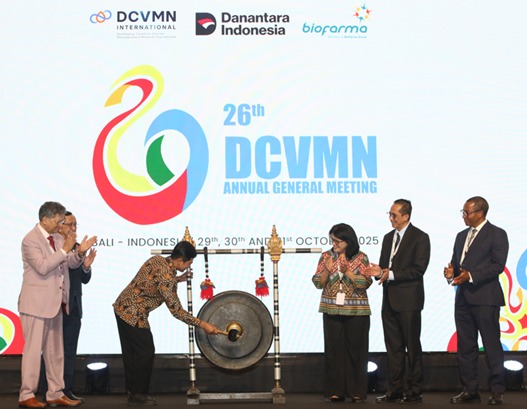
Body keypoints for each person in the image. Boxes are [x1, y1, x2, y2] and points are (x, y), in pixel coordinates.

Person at [113, 240, 220, 406]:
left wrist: (178, 279)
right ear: (180, 260)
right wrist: (203, 324)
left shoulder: (158, 260)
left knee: (132, 353)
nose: (189, 265)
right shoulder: (167, 278)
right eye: (189, 262)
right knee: (145, 352)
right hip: (134, 314)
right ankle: (138, 395)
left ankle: (132, 392)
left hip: (121, 306)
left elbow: (154, 281)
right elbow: (177, 311)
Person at [18, 202, 97, 409]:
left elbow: (69, 263)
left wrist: (79, 254)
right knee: (33, 352)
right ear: (45, 219)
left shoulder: (59, 238)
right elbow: (43, 267)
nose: (61, 224)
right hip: (36, 305)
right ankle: (27, 394)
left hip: (57, 305)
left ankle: (55, 393)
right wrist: (64, 249)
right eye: (59, 220)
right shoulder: (30, 240)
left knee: (55, 353)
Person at [364, 199, 430, 404]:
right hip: (389, 300)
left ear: (406, 216)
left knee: (412, 346)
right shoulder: (387, 238)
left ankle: (414, 390)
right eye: (390, 214)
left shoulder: (420, 237)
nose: (391, 218)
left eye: (394, 215)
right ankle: (395, 389)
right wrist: (378, 272)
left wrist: (389, 274)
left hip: (409, 301)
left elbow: (418, 269)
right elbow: (385, 268)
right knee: (393, 348)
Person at [443, 196, 508, 405]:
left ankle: (497, 390)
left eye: (466, 212)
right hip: (463, 298)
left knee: (491, 345)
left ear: (480, 213)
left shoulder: (497, 234)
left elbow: (497, 265)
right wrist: (451, 273)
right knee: (465, 346)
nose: (463, 216)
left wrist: (470, 276)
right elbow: (457, 264)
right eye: (463, 212)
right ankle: (470, 390)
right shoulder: (461, 236)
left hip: (486, 299)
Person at [312, 223, 372, 403]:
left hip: (357, 311)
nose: (334, 244)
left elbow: (365, 283)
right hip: (331, 309)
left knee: (356, 352)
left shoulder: (361, 257)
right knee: (334, 352)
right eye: (332, 240)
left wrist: (349, 273)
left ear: (348, 241)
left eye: (338, 241)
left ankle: (356, 392)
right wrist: (327, 270)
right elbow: (318, 283)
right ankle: (335, 391)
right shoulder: (326, 256)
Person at [60, 212, 97, 402]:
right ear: (59, 225)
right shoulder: (54, 247)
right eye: (70, 224)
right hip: (57, 306)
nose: (74, 228)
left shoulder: (77, 247)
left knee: (70, 351)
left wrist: (86, 266)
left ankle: (67, 389)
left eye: (76, 224)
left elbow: (84, 279)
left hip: (74, 306)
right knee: (52, 352)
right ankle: (49, 390)